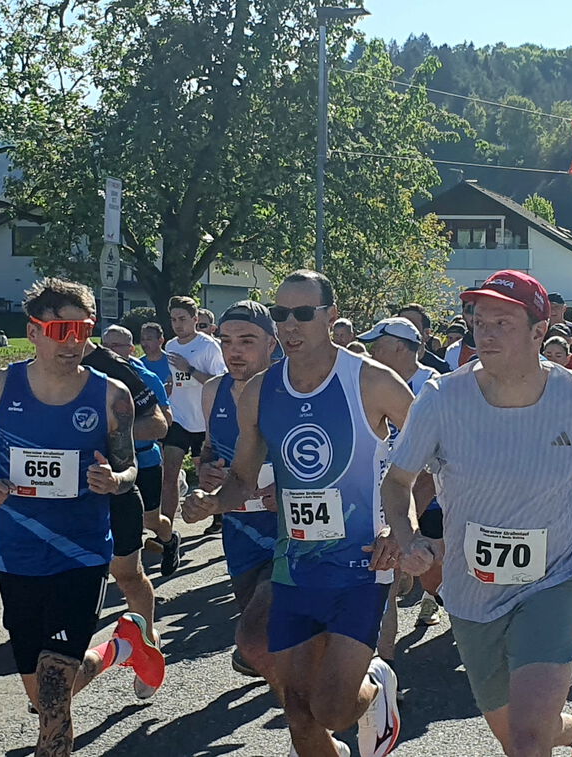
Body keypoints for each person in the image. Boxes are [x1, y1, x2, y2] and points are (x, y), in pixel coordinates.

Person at [384, 270, 572, 757]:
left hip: (552, 580)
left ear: (540, 332)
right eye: (479, 322)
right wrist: (408, 537)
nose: (486, 333)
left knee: (527, 738)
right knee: (519, 733)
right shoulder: (441, 399)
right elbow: (397, 481)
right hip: (471, 592)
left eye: (503, 323)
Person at [183, 271, 414, 757]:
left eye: (303, 313)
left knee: (333, 710)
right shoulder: (260, 391)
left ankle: (377, 682)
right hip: (294, 565)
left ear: (331, 316)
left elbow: (429, 456)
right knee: (299, 715)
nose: (290, 325)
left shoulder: (372, 381)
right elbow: (242, 476)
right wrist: (213, 502)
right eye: (281, 314)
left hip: (361, 565)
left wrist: (403, 529)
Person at [0, 278, 163, 757]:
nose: (73, 342)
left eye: (83, 330)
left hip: (81, 551)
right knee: (42, 690)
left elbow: (129, 468)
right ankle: (122, 647)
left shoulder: (112, 396)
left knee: (51, 691)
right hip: (17, 552)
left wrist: (116, 479)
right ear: (34, 331)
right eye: (62, 330)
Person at [189, 303, 280, 682]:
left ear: (271, 344)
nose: (234, 351)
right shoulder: (214, 390)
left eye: (247, 341)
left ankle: (315, 700)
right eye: (226, 342)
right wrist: (206, 471)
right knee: (260, 636)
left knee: (258, 630)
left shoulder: (291, 388)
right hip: (240, 527)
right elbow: (210, 448)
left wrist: (288, 487)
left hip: (291, 530)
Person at [357, 316, 445, 664]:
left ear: (398, 347)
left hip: (432, 497)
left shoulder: (432, 386)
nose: (370, 353)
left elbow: (437, 458)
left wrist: (407, 526)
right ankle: (385, 665)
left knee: (438, 575)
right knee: (386, 580)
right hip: (384, 495)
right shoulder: (369, 384)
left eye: (377, 346)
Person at [83, 325, 171, 667]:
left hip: (123, 480)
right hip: (64, 495)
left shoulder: (117, 369)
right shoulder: (33, 373)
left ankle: (146, 641)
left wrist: (105, 431)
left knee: (128, 574)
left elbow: (159, 424)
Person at [99, 325, 176, 608]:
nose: (110, 351)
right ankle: (125, 568)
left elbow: (165, 421)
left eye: (117, 346)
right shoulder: (94, 380)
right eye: (106, 345)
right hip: (110, 466)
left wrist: (118, 430)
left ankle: (169, 539)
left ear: (131, 349)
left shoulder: (145, 377)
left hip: (145, 460)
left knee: (150, 520)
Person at [161, 295, 227, 573]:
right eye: (173, 319)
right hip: (179, 418)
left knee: (206, 477)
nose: (177, 324)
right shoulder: (171, 346)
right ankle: (166, 534)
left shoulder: (208, 346)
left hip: (204, 421)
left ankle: (219, 514)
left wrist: (189, 369)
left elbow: (220, 382)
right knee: (169, 474)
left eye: (182, 319)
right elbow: (177, 381)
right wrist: (170, 385)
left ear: (195, 319)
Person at [396, 304, 451, 372]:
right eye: (400, 325)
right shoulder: (387, 364)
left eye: (412, 326)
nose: (404, 330)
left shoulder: (442, 370)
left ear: (426, 333)